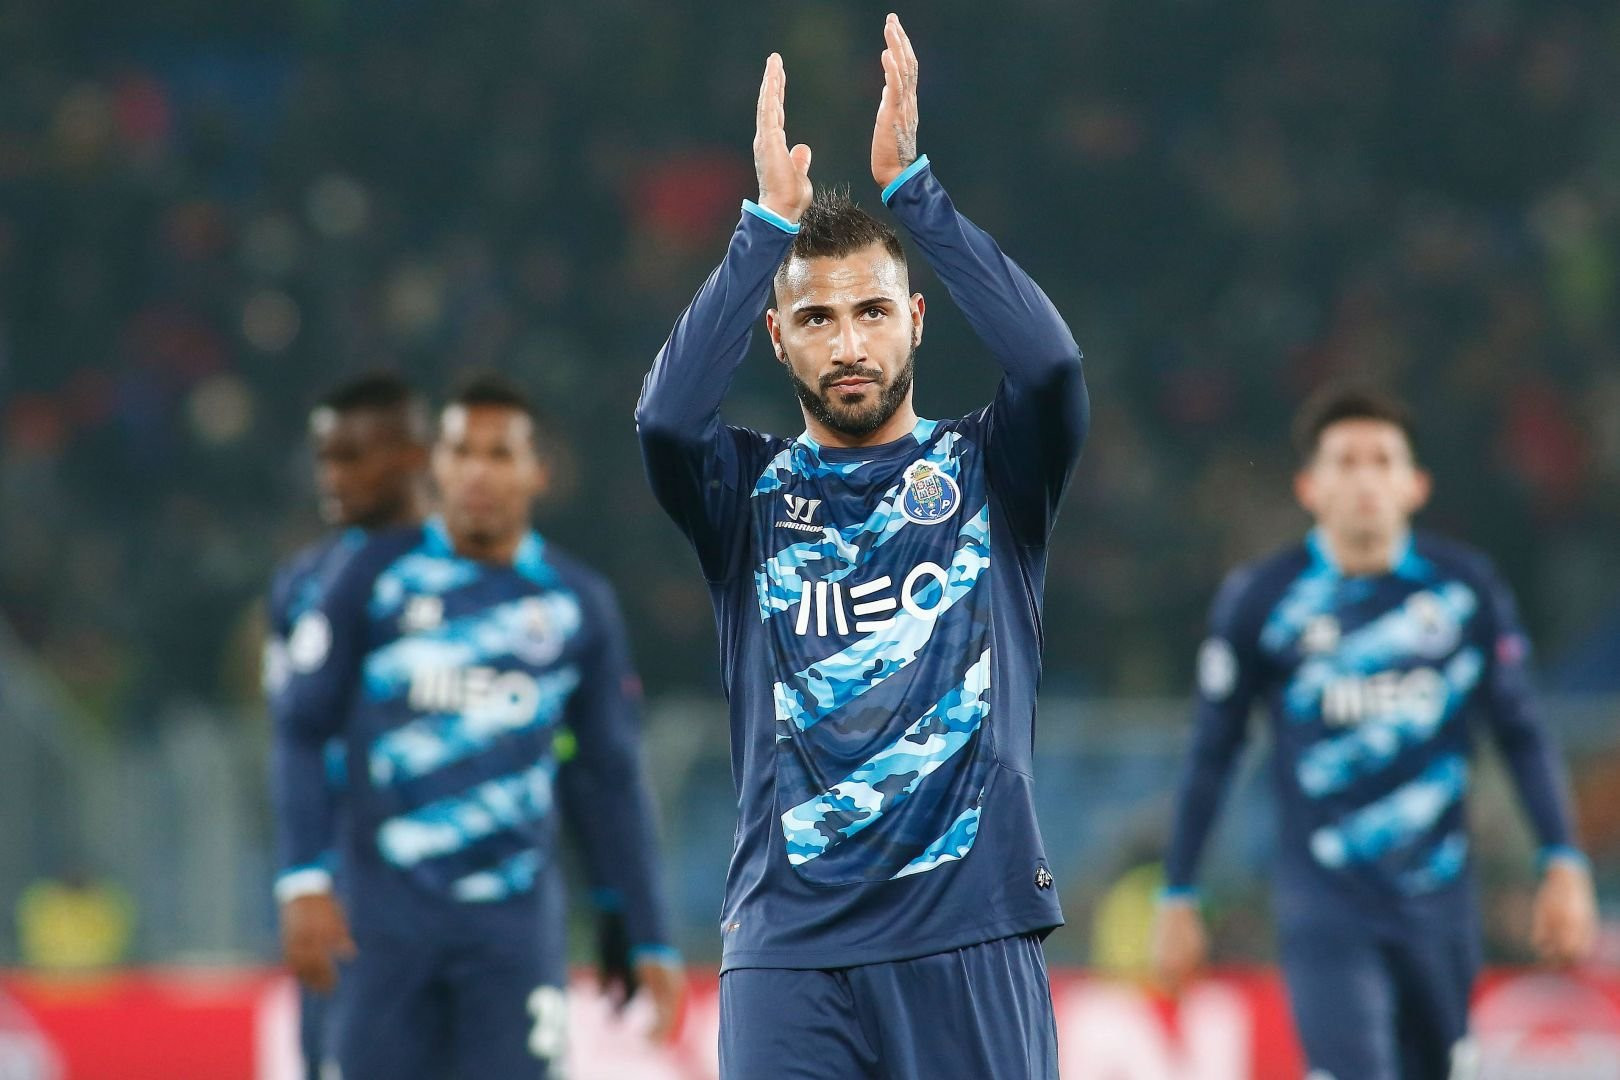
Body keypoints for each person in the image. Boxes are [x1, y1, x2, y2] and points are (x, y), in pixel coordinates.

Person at [636, 15, 1088, 1079]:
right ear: (777, 336)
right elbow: (665, 420)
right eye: (818, 318)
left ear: (917, 320)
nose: (849, 343)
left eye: (874, 311)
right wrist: (761, 230)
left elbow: (1053, 369)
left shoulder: (990, 469)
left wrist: (916, 193)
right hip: (788, 946)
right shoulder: (745, 492)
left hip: (967, 928)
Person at [1152, 386, 1598, 1080]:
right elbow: (1214, 752)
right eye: (1346, 461)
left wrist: (1562, 860)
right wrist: (1179, 892)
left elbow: (1520, 732)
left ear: (1415, 485)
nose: (1365, 478)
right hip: (1325, 905)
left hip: (1440, 903)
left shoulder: (1464, 591)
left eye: (1382, 460)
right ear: (1310, 486)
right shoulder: (1264, 600)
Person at [273, 374, 681, 1079]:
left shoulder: (576, 604)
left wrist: (642, 927)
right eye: (461, 451)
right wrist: (304, 878)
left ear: (538, 471)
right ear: (437, 463)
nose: (477, 473)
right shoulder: (371, 576)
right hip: (384, 920)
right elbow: (302, 727)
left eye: (499, 454)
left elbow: (607, 777)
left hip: (512, 928)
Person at [265, 373, 432, 1080]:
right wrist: (303, 874)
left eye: (352, 457)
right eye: (324, 458)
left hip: (460, 884)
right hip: (349, 888)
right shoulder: (301, 586)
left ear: (412, 456)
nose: (332, 477)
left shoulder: (470, 573)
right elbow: (294, 737)